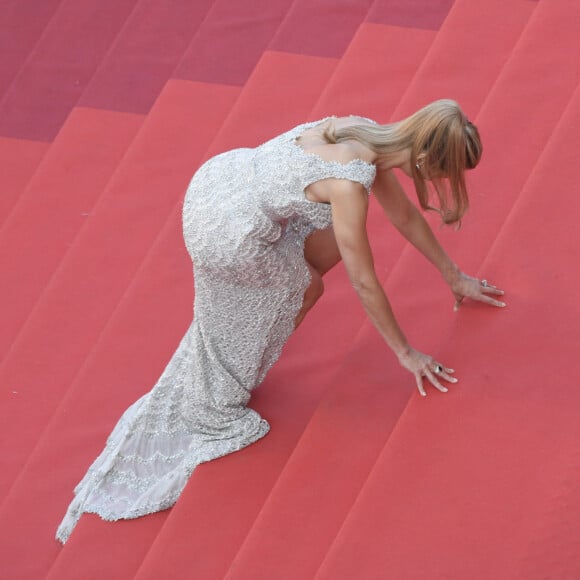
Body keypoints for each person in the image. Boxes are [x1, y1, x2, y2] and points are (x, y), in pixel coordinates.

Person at [56, 99, 504, 543]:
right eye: (446, 174)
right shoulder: (349, 183)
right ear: (426, 159)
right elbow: (365, 282)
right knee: (306, 286)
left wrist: (455, 278)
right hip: (229, 234)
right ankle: (243, 354)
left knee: (312, 258)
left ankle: (253, 331)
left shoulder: (363, 130)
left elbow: (403, 215)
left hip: (221, 181)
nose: (446, 182)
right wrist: (406, 354)